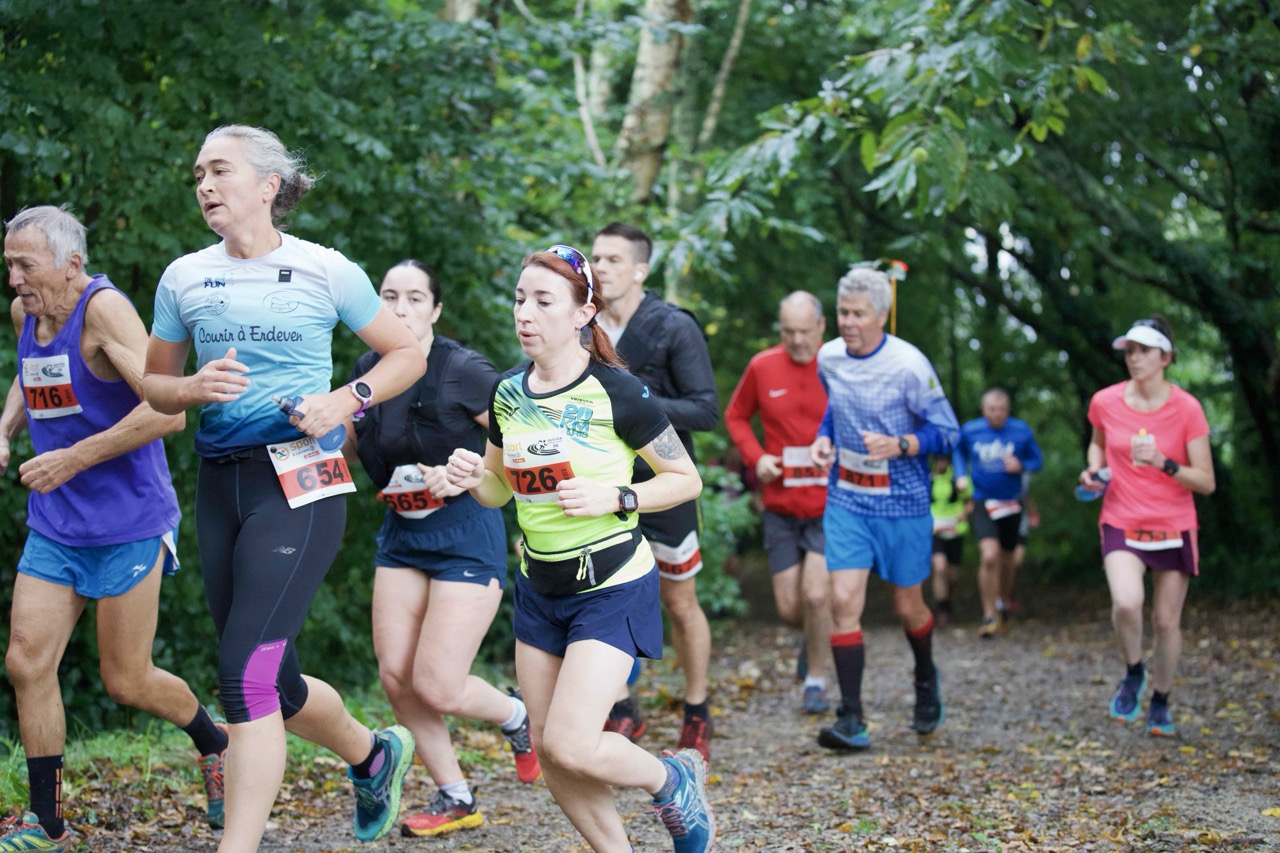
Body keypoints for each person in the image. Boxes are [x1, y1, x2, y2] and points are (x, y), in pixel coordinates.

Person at [141, 125, 426, 852]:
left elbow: (406, 354)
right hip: (221, 486)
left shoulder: (325, 269)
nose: (205, 185)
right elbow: (154, 386)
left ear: (268, 185)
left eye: (219, 170)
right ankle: (373, 754)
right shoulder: (183, 277)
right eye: (198, 174)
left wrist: (345, 399)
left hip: (301, 481)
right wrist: (191, 387)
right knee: (277, 680)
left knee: (244, 676)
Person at [444, 245, 714, 853]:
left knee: (572, 743)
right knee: (550, 748)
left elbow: (685, 480)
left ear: (582, 313)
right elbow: (499, 489)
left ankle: (671, 778)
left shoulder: (620, 391)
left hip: (612, 583)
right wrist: (473, 478)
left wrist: (616, 496)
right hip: (540, 587)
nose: (525, 313)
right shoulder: (507, 393)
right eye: (520, 299)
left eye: (544, 301)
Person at [0, 205, 229, 852]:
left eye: (26, 266)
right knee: (25, 660)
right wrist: (5, 428)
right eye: (9, 265)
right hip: (56, 523)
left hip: (128, 519)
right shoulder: (26, 313)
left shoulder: (103, 312)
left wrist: (73, 458)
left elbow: (166, 412)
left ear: (72, 264)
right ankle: (46, 823)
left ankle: (214, 741)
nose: (14, 279)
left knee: (126, 679)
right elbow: (30, 373)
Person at [347, 259, 540, 838]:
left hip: (465, 534)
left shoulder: (464, 370)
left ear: (435, 309)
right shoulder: (368, 371)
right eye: (388, 297)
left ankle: (517, 716)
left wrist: (466, 470)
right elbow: (347, 445)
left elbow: (526, 442)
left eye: (413, 298)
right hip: (402, 535)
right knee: (396, 677)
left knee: (437, 684)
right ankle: (456, 795)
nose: (400, 308)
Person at [809, 266, 959, 751]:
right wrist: (823, 438)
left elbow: (948, 432)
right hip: (848, 497)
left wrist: (902, 444)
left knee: (907, 607)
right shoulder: (829, 357)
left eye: (858, 314)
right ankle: (852, 718)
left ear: (881, 314)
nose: (848, 322)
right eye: (843, 312)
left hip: (903, 502)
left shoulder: (909, 365)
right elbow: (836, 406)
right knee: (843, 602)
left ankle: (925, 676)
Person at [591, 222, 719, 762]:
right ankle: (621, 706)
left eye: (614, 260)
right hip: (603, 485)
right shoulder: (583, 324)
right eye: (596, 258)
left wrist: (635, 403)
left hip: (665, 483)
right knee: (604, 596)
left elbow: (705, 410)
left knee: (679, 602)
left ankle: (697, 708)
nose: (601, 268)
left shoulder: (673, 326)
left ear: (641, 270)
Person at [1078, 316, 1214, 737]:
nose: (1133, 358)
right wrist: (1094, 470)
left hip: (1173, 523)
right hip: (1121, 517)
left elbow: (1206, 482)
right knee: (1126, 603)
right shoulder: (1105, 401)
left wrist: (1163, 462)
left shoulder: (1187, 408)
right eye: (1129, 351)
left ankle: (1161, 700)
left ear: (1165, 357)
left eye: (1143, 351)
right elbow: (1098, 443)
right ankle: (1134, 670)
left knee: (1166, 622)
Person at [724, 291, 832, 714]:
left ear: (821, 327)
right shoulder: (763, 366)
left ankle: (816, 680)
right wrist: (758, 458)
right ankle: (814, 636)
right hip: (781, 506)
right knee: (791, 608)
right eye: (789, 332)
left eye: (805, 331)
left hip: (829, 505)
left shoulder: (839, 365)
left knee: (816, 596)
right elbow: (736, 416)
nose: (797, 340)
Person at [952, 388, 1044, 637]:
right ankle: (989, 614)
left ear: (1008, 410)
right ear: (984, 410)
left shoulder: (1021, 431)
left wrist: (1022, 465)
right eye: (992, 409)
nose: (997, 414)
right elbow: (958, 451)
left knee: (1008, 560)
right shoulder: (971, 430)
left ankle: (1003, 598)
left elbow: (1038, 460)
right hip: (982, 500)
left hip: (1012, 502)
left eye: (1002, 410)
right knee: (990, 556)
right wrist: (960, 475)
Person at [929, 456, 971, 627]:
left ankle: (948, 599)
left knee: (953, 575)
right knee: (940, 568)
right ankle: (942, 609)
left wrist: (964, 514)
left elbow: (970, 500)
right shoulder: (928, 479)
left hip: (955, 531)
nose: (942, 463)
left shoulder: (958, 479)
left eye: (945, 460)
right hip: (935, 531)